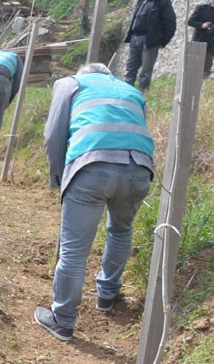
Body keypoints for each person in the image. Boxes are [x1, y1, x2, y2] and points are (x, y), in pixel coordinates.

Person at [35, 63, 154, 342]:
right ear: (107, 75)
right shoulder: (131, 90)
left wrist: (59, 176)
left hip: (92, 166)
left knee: (74, 250)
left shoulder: (71, 84)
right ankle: (107, 293)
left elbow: (54, 135)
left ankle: (62, 319)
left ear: (85, 73)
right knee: (121, 229)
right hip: (139, 169)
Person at [123, 0, 176, 91]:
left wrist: (163, 41)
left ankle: (142, 94)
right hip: (135, 38)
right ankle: (126, 92)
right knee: (130, 68)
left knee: (146, 71)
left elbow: (170, 23)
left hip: (150, 40)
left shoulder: (163, 1)